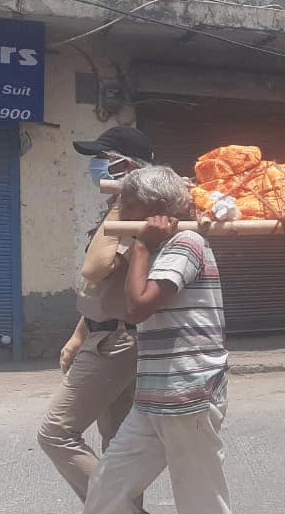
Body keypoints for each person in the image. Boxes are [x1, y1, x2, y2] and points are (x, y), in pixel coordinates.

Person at [83, 165, 231, 514]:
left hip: (188, 393)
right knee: (105, 490)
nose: (121, 215)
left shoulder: (186, 243)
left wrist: (139, 248)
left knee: (200, 501)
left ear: (152, 210)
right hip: (154, 396)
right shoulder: (162, 247)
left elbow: (137, 308)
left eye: (127, 207)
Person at [37, 126, 154, 511]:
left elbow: (96, 269)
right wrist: (76, 336)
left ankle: (119, 509)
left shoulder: (137, 215)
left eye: (106, 160)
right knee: (117, 445)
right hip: (104, 335)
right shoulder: (117, 213)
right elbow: (103, 290)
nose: (98, 168)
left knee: (55, 432)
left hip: (115, 345)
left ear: (131, 167)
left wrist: (123, 200)